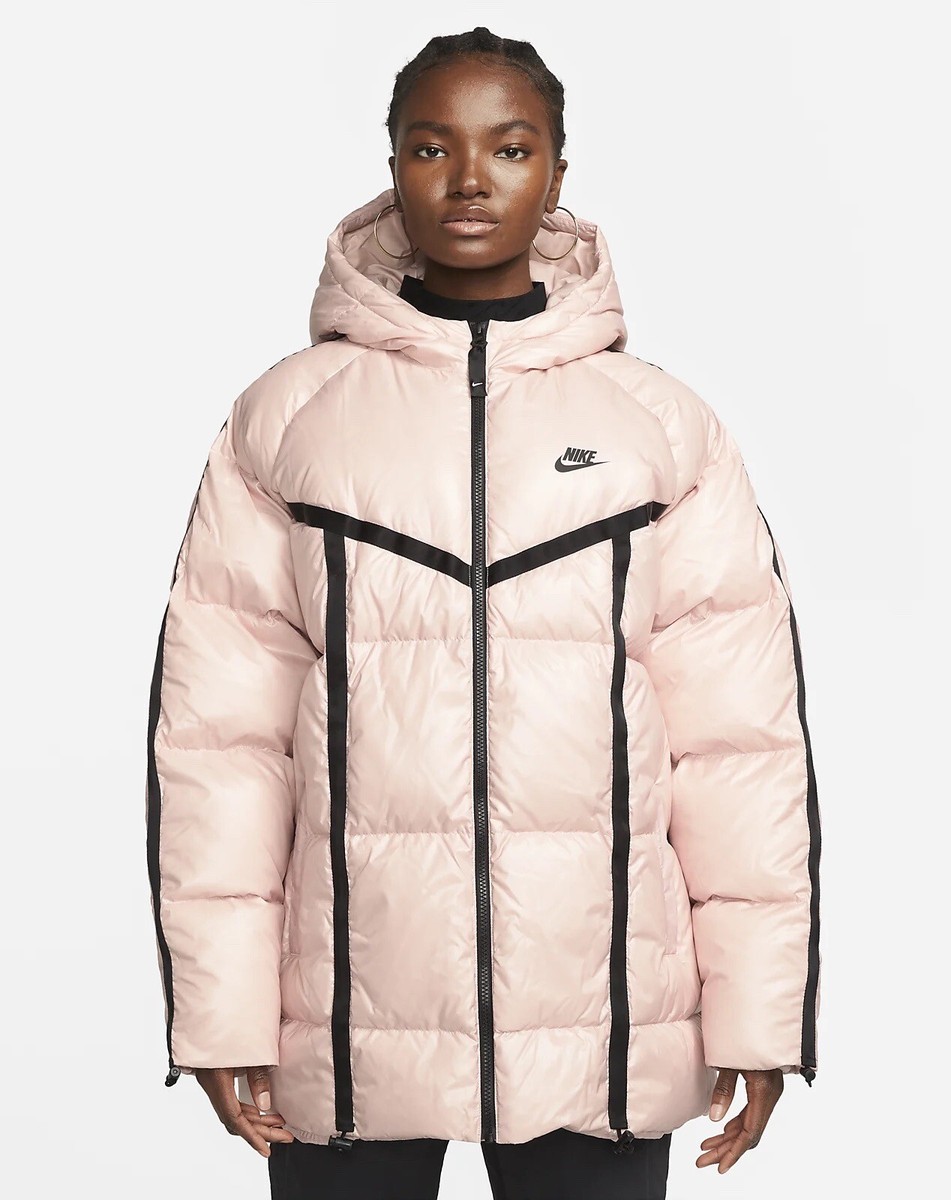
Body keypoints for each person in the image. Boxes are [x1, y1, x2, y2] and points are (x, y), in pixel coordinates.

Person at [145, 25, 821, 1200]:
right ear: (392, 168)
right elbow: (222, 748)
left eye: (509, 149)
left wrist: (761, 1018)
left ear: (557, 173)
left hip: (605, 1022)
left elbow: (737, 752)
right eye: (432, 147)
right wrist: (220, 1014)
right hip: (344, 1022)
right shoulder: (288, 422)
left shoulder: (661, 431)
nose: (469, 180)